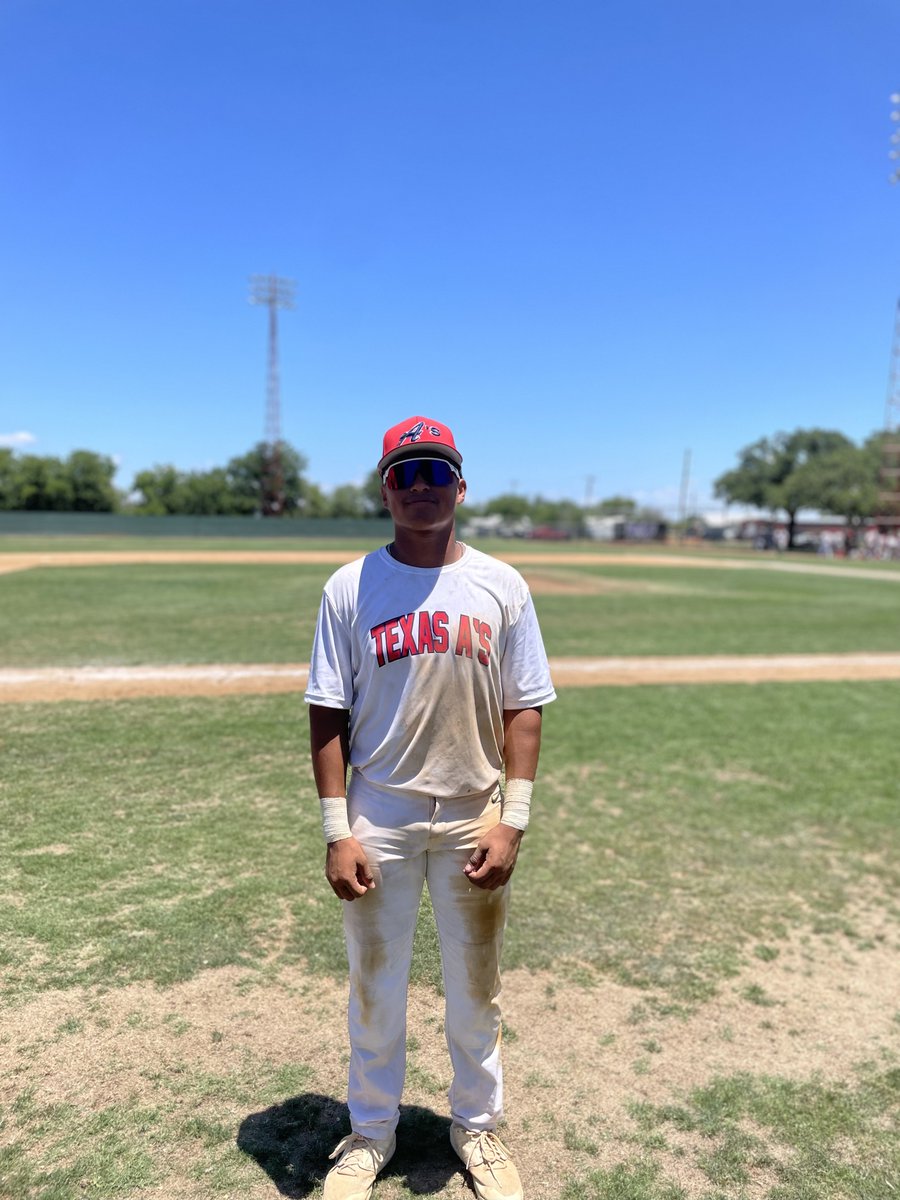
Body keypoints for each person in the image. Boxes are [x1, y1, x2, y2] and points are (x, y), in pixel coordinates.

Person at [305, 415, 556, 1200]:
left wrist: (513, 816)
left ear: (460, 486)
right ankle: (370, 1134)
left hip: (474, 813)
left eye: (436, 473)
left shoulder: (501, 584)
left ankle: (476, 1129)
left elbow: (525, 707)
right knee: (374, 985)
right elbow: (325, 712)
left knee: (475, 988)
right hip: (380, 810)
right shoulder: (350, 586)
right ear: (385, 487)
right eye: (406, 474)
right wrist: (336, 829)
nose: (421, 488)